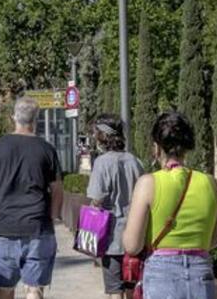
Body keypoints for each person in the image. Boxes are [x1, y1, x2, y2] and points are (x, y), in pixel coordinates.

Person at [0, 97, 62, 299]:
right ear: (35, 120)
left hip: (3, 228)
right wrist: (52, 220)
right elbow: (57, 190)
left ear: (14, 118)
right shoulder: (46, 150)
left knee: (5, 288)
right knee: (34, 288)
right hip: (38, 227)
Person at [123, 111, 217, 299]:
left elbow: (132, 245)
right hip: (200, 273)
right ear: (187, 147)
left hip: (162, 274)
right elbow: (214, 240)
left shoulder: (148, 183)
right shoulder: (211, 183)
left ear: (156, 147)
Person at [87, 114, 146, 299]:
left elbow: (96, 200)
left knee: (115, 291)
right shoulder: (136, 162)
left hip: (111, 238)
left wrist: (88, 236)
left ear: (103, 136)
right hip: (136, 237)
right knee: (132, 287)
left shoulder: (102, 163)